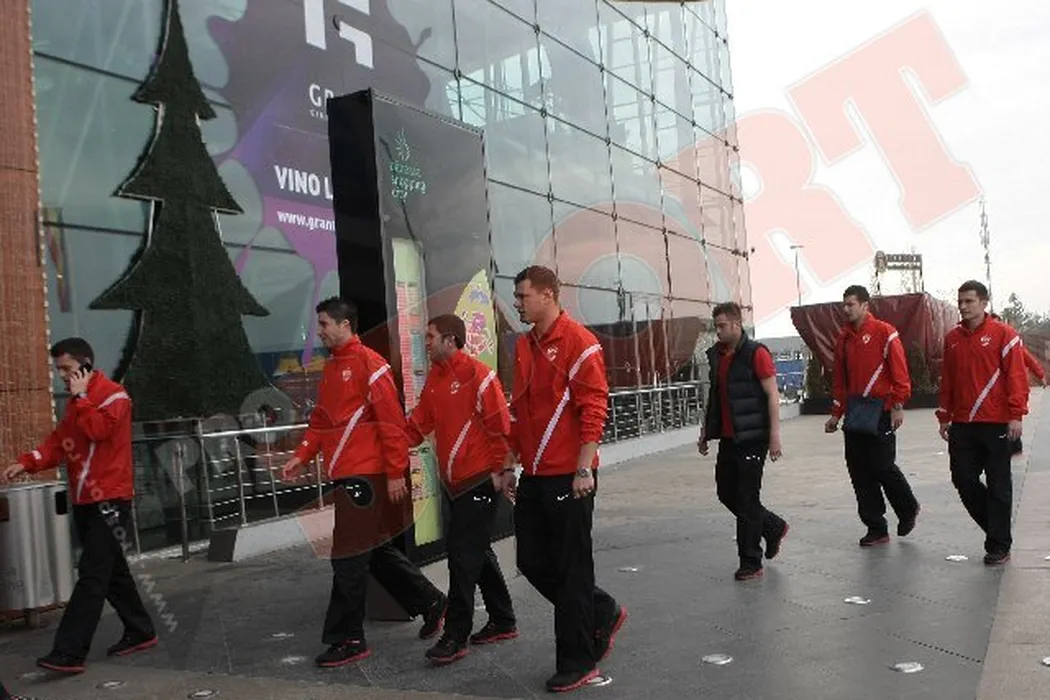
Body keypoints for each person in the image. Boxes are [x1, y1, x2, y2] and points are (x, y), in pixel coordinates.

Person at [281, 298, 445, 667]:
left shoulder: (371, 365)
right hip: (347, 474)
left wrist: (395, 473)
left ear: (345, 325)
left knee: (347, 556)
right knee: (372, 551)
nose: (319, 331)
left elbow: (391, 423)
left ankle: (348, 638)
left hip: (366, 476)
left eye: (324, 324)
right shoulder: (331, 369)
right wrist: (301, 455)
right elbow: (321, 421)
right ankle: (431, 601)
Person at [498, 265, 627, 693]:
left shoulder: (579, 342)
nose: (518, 304)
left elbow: (594, 407)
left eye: (523, 296)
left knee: (572, 570)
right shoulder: (525, 345)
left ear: (549, 294)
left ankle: (578, 662)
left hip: (571, 476)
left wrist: (584, 467)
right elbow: (519, 410)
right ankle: (601, 609)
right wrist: (509, 462)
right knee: (531, 561)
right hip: (535, 474)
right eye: (517, 297)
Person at [1, 338, 156, 674]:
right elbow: (60, 443)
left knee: (92, 575)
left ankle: (69, 652)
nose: (61, 375)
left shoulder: (114, 396)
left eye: (66, 369)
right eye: (58, 369)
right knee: (112, 573)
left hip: (111, 498)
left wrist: (83, 397)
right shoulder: (76, 402)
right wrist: (27, 462)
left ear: (85, 365)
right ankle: (141, 630)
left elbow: (99, 430)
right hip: (85, 499)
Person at [405, 314, 518, 665]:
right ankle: (503, 619)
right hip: (453, 485)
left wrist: (503, 470)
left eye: (430, 337)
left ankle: (455, 636)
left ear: (450, 340)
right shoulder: (436, 379)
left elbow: (501, 427)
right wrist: (385, 443)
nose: (425, 343)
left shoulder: (479, 376)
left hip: (480, 480)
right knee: (476, 551)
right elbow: (418, 424)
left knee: (461, 557)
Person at [937, 281, 1029, 566]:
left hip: (996, 422)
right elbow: (948, 379)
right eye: (960, 302)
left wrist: (1016, 414)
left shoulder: (1004, 334)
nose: (963, 307)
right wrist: (944, 415)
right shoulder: (952, 339)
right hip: (963, 423)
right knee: (963, 479)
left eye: (969, 301)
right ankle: (997, 528)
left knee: (999, 484)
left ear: (984, 303)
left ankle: (999, 545)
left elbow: (1016, 376)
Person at [697, 302, 789, 581]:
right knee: (726, 492)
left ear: (737, 324)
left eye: (723, 326)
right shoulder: (717, 355)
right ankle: (772, 526)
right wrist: (705, 432)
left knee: (748, 499)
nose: (718, 331)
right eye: (716, 326)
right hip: (729, 437)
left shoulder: (756, 353)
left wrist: (774, 437)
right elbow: (715, 398)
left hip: (753, 437)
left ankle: (751, 561)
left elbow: (772, 394)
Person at [825, 285, 920, 546]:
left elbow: (900, 372)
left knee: (882, 465)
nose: (846, 309)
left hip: (882, 410)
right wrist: (836, 414)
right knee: (859, 470)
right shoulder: (844, 338)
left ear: (865, 305)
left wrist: (898, 404)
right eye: (844, 305)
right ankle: (876, 527)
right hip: (855, 412)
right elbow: (840, 381)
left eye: (851, 304)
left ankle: (908, 508)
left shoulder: (885, 332)